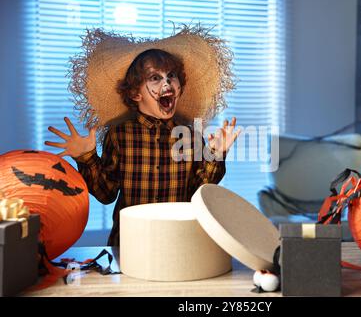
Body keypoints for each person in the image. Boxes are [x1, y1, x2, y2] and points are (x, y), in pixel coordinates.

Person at [45, 26, 240, 246]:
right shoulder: (120, 136)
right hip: (130, 243)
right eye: (155, 78)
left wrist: (216, 154)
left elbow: (198, 192)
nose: (167, 83)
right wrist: (86, 157)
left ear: (180, 86)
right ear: (135, 93)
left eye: (171, 76)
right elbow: (106, 194)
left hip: (179, 242)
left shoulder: (190, 136)